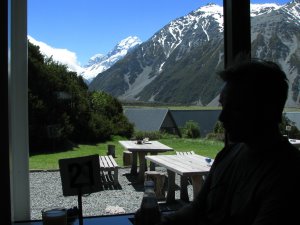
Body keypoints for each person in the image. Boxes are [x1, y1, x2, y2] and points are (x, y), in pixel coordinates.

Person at [158, 59, 300, 225]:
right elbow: (198, 208)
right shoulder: (227, 154)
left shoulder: (289, 173)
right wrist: (162, 221)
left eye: (236, 108)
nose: (222, 117)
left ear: (268, 110)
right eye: (223, 106)